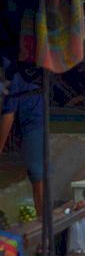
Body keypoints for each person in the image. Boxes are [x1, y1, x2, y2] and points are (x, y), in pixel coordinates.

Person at [0, 59, 45, 216]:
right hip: (30, 116)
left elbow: (8, 114)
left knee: (37, 173)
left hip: (33, 119)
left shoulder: (11, 70)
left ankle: (43, 224)